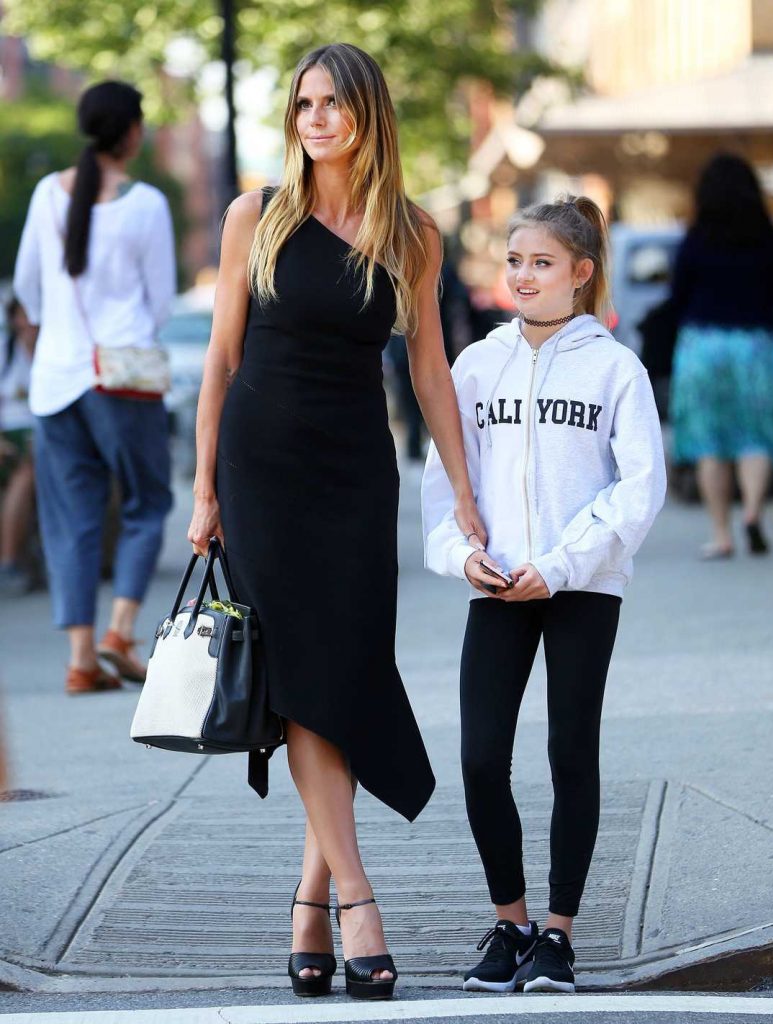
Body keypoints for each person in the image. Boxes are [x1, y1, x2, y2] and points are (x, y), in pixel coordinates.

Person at [187, 43, 485, 1001]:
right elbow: (220, 360)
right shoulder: (255, 215)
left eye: (332, 102)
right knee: (308, 678)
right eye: (303, 103)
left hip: (358, 473)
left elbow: (430, 371)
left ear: (367, 114)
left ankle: (310, 892)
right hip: (263, 468)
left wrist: (466, 499)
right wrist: (203, 490)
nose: (315, 118)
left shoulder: (413, 232)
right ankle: (358, 898)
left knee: (348, 670)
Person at [422, 196, 666, 994]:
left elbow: (640, 489)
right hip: (495, 585)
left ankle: (557, 934)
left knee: (570, 753)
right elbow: (443, 485)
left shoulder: (613, 367)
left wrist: (560, 565)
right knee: (480, 756)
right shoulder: (476, 365)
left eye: (542, 262)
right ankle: (510, 921)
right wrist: (464, 559)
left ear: (581, 273)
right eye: (515, 260)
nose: (523, 276)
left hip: (582, 585)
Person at [12, 80, 176, 693]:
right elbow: (158, 301)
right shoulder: (145, 204)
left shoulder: (46, 194)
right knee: (146, 504)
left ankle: (81, 659)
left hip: (56, 380)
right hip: (124, 378)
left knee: (72, 518)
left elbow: (27, 288)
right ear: (131, 131)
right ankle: (121, 632)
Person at [668, 152, 773, 558]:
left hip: (703, 345)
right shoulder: (769, 237)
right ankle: (751, 512)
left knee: (709, 443)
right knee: (755, 435)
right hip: (755, 344)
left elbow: (677, 295)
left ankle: (721, 534)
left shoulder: (695, 238)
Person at [0, 298, 38, 595]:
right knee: (24, 470)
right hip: (8, 434)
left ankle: (12, 559)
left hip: (41, 435)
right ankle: (10, 559)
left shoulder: (54, 350)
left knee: (29, 470)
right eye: (21, 316)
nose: (28, 323)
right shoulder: (5, 351)